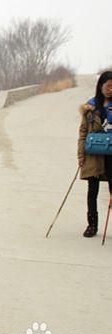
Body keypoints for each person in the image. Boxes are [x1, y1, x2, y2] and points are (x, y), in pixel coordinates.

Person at [78, 70, 112, 237]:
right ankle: (92, 224)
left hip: (111, 155)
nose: (110, 90)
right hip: (93, 154)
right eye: (108, 86)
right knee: (93, 189)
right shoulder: (90, 107)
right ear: (100, 86)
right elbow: (83, 132)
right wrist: (80, 155)